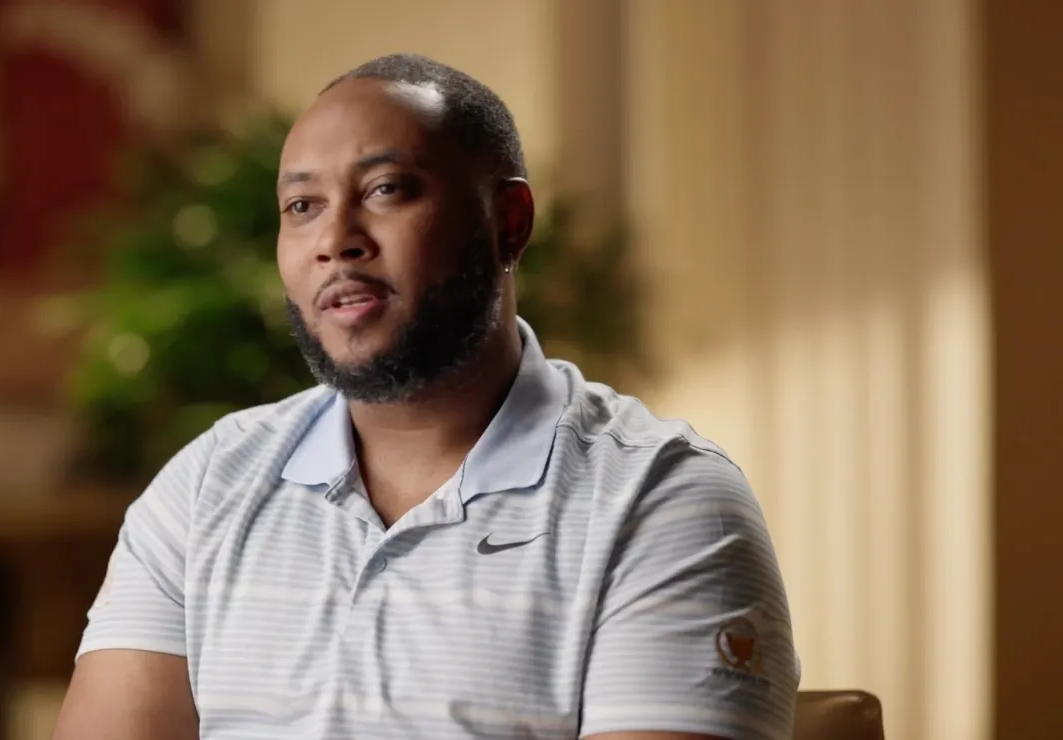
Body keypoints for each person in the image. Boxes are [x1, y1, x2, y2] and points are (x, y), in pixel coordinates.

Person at [53, 53, 800, 740]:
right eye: (301, 206)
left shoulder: (664, 503)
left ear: (508, 225)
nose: (335, 240)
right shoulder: (205, 487)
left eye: (386, 190)